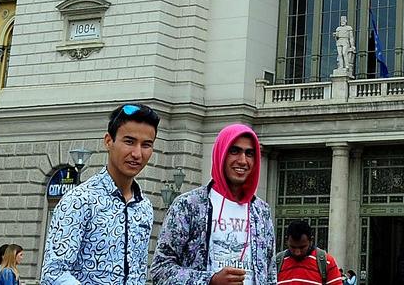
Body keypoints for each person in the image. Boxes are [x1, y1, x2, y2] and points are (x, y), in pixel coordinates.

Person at [42, 103, 161, 285]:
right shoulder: (80, 200)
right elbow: (53, 274)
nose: (137, 153)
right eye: (129, 142)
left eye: (146, 145)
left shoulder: (144, 207)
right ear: (108, 141)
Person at [153, 125, 276, 285]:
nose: (243, 160)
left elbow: (270, 274)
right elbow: (160, 269)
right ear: (221, 154)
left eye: (249, 153)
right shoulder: (189, 205)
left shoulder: (261, 211)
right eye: (234, 151)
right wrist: (210, 281)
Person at [275, 222, 340, 285]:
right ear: (287, 241)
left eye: (302, 247)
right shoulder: (277, 262)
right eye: (293, 247)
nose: (297, 252)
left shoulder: (326, 262)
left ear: (311, 241)